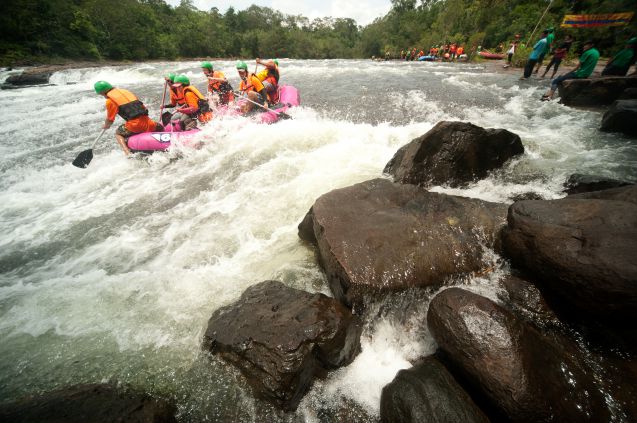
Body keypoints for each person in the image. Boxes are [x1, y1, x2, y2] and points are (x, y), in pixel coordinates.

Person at [94, 80, 163, 156]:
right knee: (160, 127)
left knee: (118, 133)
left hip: (135, 126)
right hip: (150, 124)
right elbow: (143, 108)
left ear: (103, 92)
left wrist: (106, 125)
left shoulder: (110, 101)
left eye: (101, 95)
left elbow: (110, 119)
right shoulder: (126, 92)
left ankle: (127, 153)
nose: (103, 97)